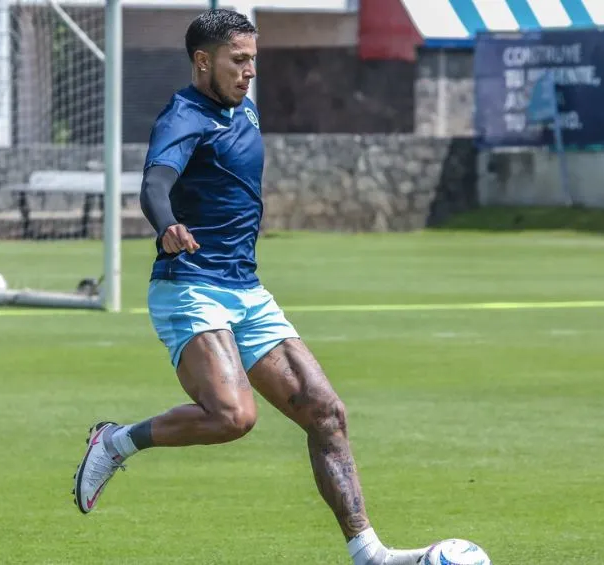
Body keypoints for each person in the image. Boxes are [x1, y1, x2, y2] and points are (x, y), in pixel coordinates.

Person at [73, 9, 433, 565]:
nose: (249, 72)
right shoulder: (184, 115)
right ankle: (117, 442)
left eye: (252, 61)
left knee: (326, 413)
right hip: (190, 284)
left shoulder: (243, 108)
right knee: (233, 418)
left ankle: (370, 554)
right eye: (238, 61)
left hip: (246, 289)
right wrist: (165, 223)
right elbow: (155, 181)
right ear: (202, 61)